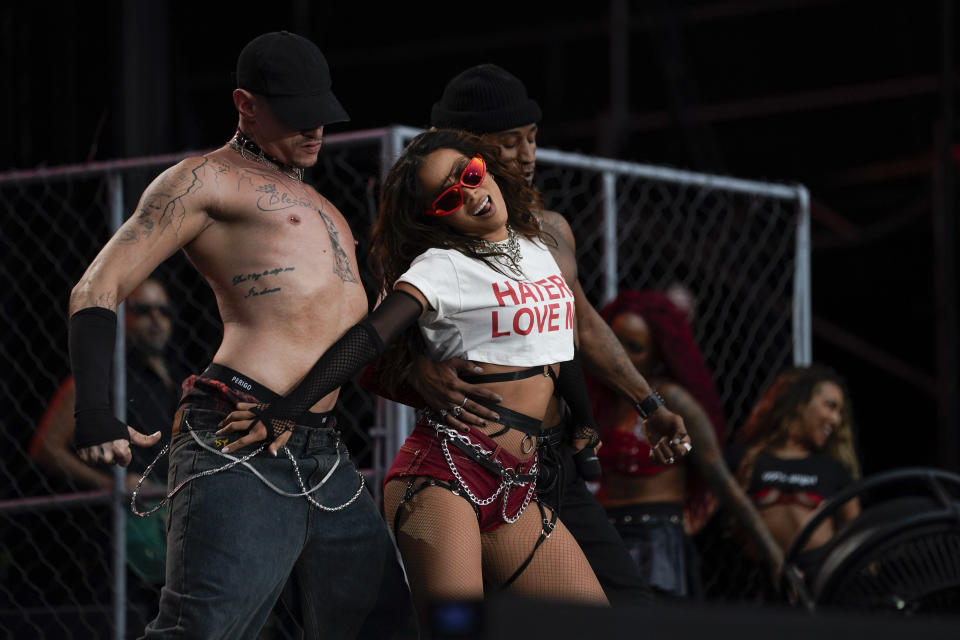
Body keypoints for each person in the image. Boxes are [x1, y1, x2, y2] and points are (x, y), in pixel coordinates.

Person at [67, 31, 408, 639]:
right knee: (201, 630)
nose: (315, 132)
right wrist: (94, 411)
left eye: (322, 117)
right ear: (245, 104)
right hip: (237, 432)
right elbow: (96, 288)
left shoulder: (323, 201)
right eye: (297, 117)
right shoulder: (204, 180)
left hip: (322, 447)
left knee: (380, 626)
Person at [219, 128, 621, 631]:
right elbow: (368, 339)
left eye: (470, 176)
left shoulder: (536, 250)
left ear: (486, 166)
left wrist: (584, 423)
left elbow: (562, 349)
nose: (472, 195)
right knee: (458, 630)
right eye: (450, 196)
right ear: (436, 218)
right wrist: (288, 407)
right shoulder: (442, 267)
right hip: (444, 476)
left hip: (517, 483)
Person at [398, 63, 692, 606]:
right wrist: (416, 368)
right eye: (508, 143)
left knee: (625, 605)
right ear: (469, 153)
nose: (527, 155)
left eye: (532, 138)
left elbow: (581, 321)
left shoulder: (549, 230)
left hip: (552, 458)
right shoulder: (434, 240)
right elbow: (373, 334)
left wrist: (647, 403)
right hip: (474, 455)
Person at [588, 290, 783, 598]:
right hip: (605, 536)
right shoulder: (600, 400)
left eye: (634, 347)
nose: (621, 355)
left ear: (658, 353)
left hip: (656, 541)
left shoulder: (672, 399)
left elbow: (720, 479)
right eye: (616, 342)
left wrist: (777, 556)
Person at [731, 364, 861, 584]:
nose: (836, 419)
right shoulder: (748, 459)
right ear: (800, 402)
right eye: (830, 406)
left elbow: (856, 534)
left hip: (817, 580)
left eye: (839, 412)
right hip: (758, 580)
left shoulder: (833, 469)